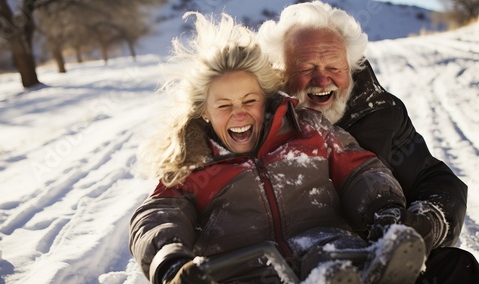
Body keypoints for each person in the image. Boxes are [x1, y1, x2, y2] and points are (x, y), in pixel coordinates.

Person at [129, 12, 427, 284]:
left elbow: (359, 169)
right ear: (204, 112)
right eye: (224, 105)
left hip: (330, 251)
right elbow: (158, 214)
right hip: (246, 271)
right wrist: (170, 261)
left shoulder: (308, 131)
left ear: (265, 98)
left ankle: (375, 271)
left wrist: (383, 209)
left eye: (249, 100)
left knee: (331, 258)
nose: (240, 113)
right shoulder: (194, 164)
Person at [257, 1, 478, 283]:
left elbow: (431, 177)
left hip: (374, 257)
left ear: (351, 67)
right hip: (295, 263)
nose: (322, 79)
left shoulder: (381, 113)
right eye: (306, 67)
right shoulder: (255, 121)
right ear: (280, 72)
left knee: (457, 267)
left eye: (333, 66)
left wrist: (424, 222)